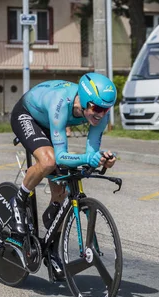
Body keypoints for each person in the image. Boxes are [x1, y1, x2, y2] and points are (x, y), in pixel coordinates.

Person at [9, 72, 117, 279]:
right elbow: (60, 157)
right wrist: (87, 158)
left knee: (61, 193)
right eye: (96, 108)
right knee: (48, 161)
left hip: (51, 125)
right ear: (85, 101)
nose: (100, 115)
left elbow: (91, 152)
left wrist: (102, 159)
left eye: (106, 110)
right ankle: (19, 198)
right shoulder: (61, 101)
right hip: (28, 115)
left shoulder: (99, 113)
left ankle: (50, 250)